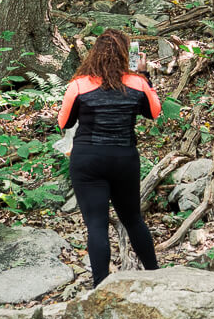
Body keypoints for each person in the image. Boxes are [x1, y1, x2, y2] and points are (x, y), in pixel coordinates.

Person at [57, 29, 162, 287]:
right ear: (127, 55)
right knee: (133, 219)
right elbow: (155, 112)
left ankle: (101, 287)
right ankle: (157, 275)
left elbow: (64, 122)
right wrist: (144, 75)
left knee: (96, 224)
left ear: (94, 54)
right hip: (123, 158)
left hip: (88, 159)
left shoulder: (79, 85)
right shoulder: (136, 83)